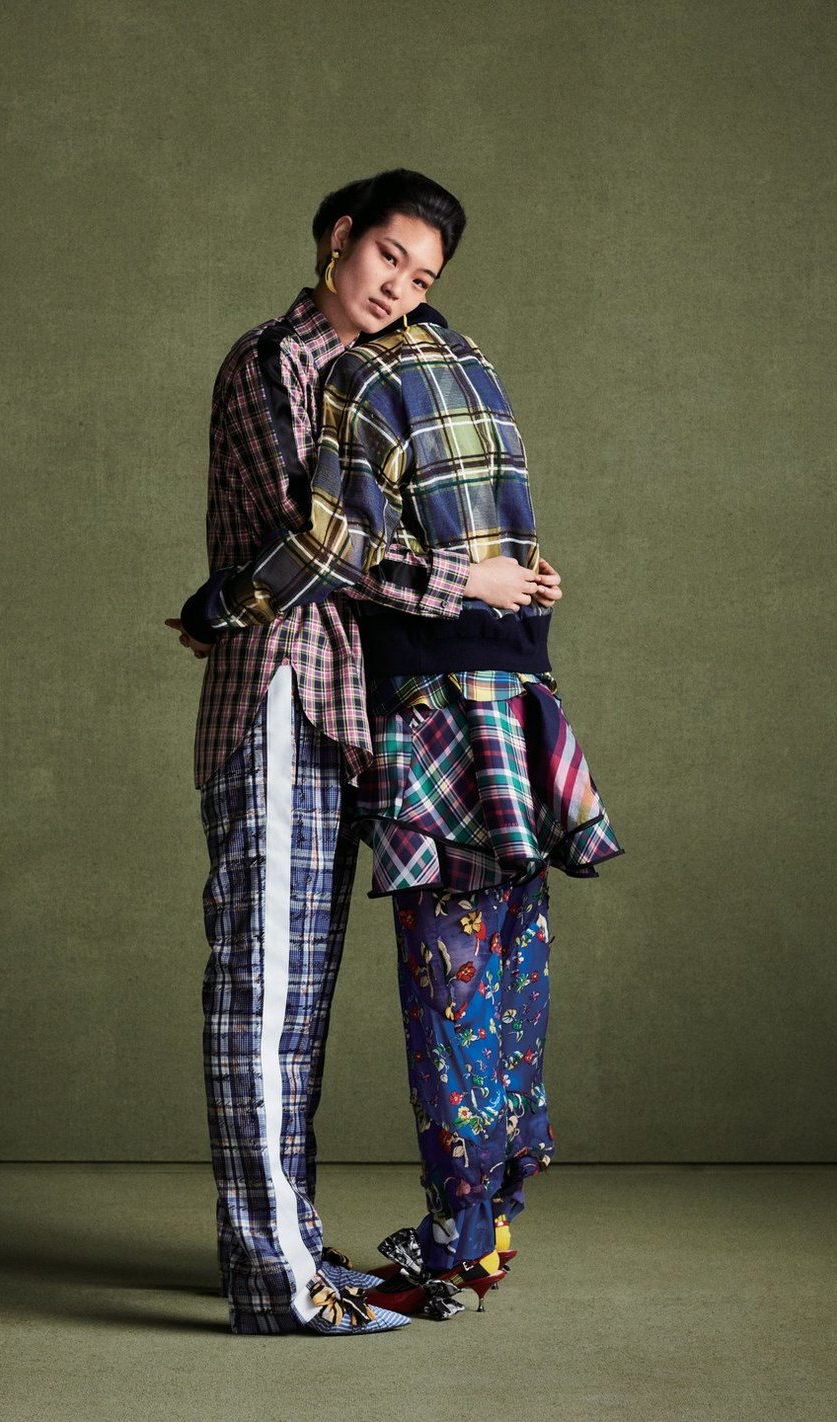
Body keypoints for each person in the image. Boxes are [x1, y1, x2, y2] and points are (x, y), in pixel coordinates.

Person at [180, 288, 622, 1317]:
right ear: (342, 238)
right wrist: (495, 584)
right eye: (391, 259)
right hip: (512, 697)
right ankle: (468, 1229)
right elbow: (501, 549)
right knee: (502, 974)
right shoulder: (462, 366)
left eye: (417, 272)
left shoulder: (368, 371)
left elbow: (329, 549)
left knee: (448, 979)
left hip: (436, 706)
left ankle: (441, 1238)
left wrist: (220, 605)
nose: (398, 287)